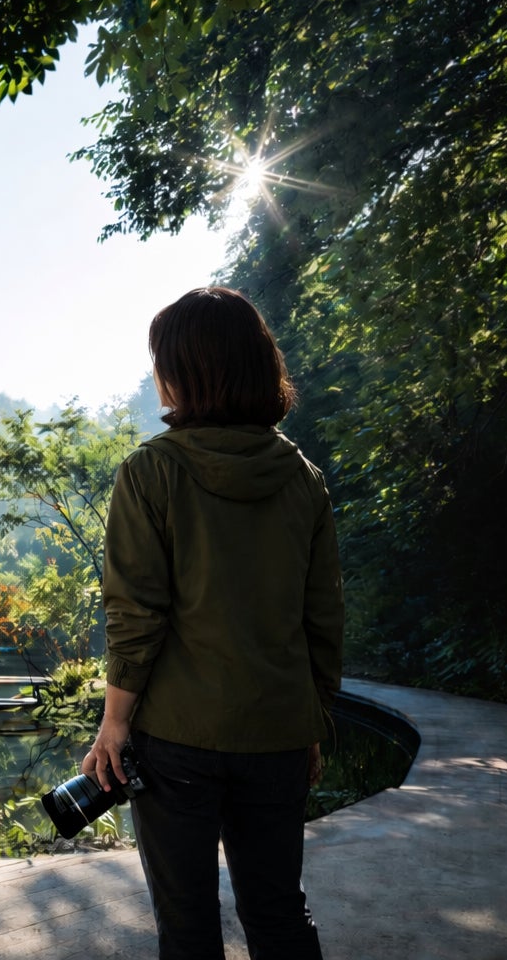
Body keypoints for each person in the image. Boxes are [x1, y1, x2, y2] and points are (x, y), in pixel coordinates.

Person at [83, 286, 344, 959]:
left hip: (175, 740)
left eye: (160, 361)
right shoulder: (303, 479)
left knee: (188, 927)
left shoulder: (150, 472)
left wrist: (114, 724)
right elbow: (322, 618)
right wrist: (311, 721)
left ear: (184, 373)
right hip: (278, 731)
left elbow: (136, 616)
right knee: (279, 914)